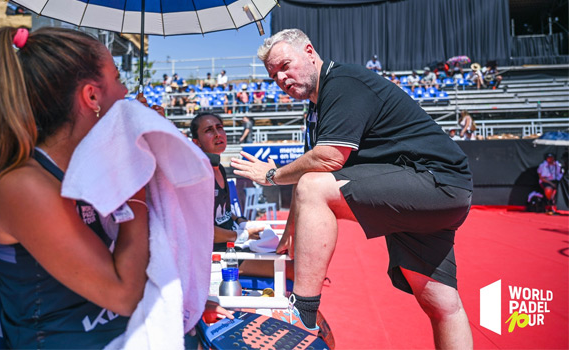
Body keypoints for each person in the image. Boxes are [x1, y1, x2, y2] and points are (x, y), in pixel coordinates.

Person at [231, 28, 474, 348]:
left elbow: (329, 159)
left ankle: (302, 311)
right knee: (443, 305)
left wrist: (272, 174)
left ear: (308, 51)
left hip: (434, 181)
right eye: (274, 74)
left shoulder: (344, 82)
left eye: (285, 65)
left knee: (315, 186)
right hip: (431, 190)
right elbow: (312, 173)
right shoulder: (316, 110)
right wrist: (292, 228)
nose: (281, 78)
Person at [0, 27, 151, 349]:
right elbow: (124, 296)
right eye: (117, 78)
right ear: (92, 97)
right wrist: (138, 193)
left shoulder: (77, 169)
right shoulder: (24, 185)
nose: (126, 91)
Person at [190, 112, 292, 280]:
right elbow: (202, 231)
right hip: (218, 256)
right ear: (196, 142)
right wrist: (243, 235)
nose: (217, 134)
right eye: (209, 130)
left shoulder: (220, 169)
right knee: (295, 269)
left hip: (233, 244)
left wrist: (241, 221)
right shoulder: (198, 176)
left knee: (290, 254)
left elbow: (224, 212)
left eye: (220, 127)